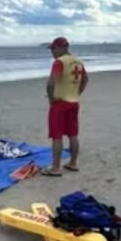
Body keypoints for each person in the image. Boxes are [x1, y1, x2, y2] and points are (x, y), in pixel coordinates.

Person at [43, 37, 87, 176]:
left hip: (60, 102)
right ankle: (73, 163)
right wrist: (77, 93)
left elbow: (51, 84)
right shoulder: (78, 61)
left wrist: (51, 99)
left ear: (61, 48)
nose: (52, 52)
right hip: (74, 102)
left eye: (54, 49)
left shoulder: (59, 62)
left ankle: (56, 167)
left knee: (57, 136)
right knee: (73, 134)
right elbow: (85, 79)